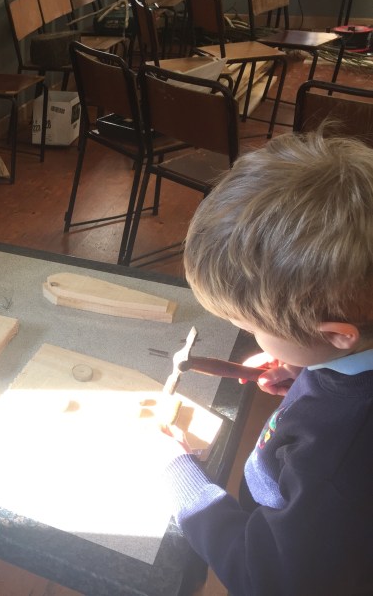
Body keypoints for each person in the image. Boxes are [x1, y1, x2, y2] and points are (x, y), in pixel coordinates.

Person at [158, 130, 373, 595]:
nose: (250, 335)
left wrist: (179, 475)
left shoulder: (335, 463)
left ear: (336, 334)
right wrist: (304, 370)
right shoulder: (351, 349)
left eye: (252, 326)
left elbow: (267, 578)